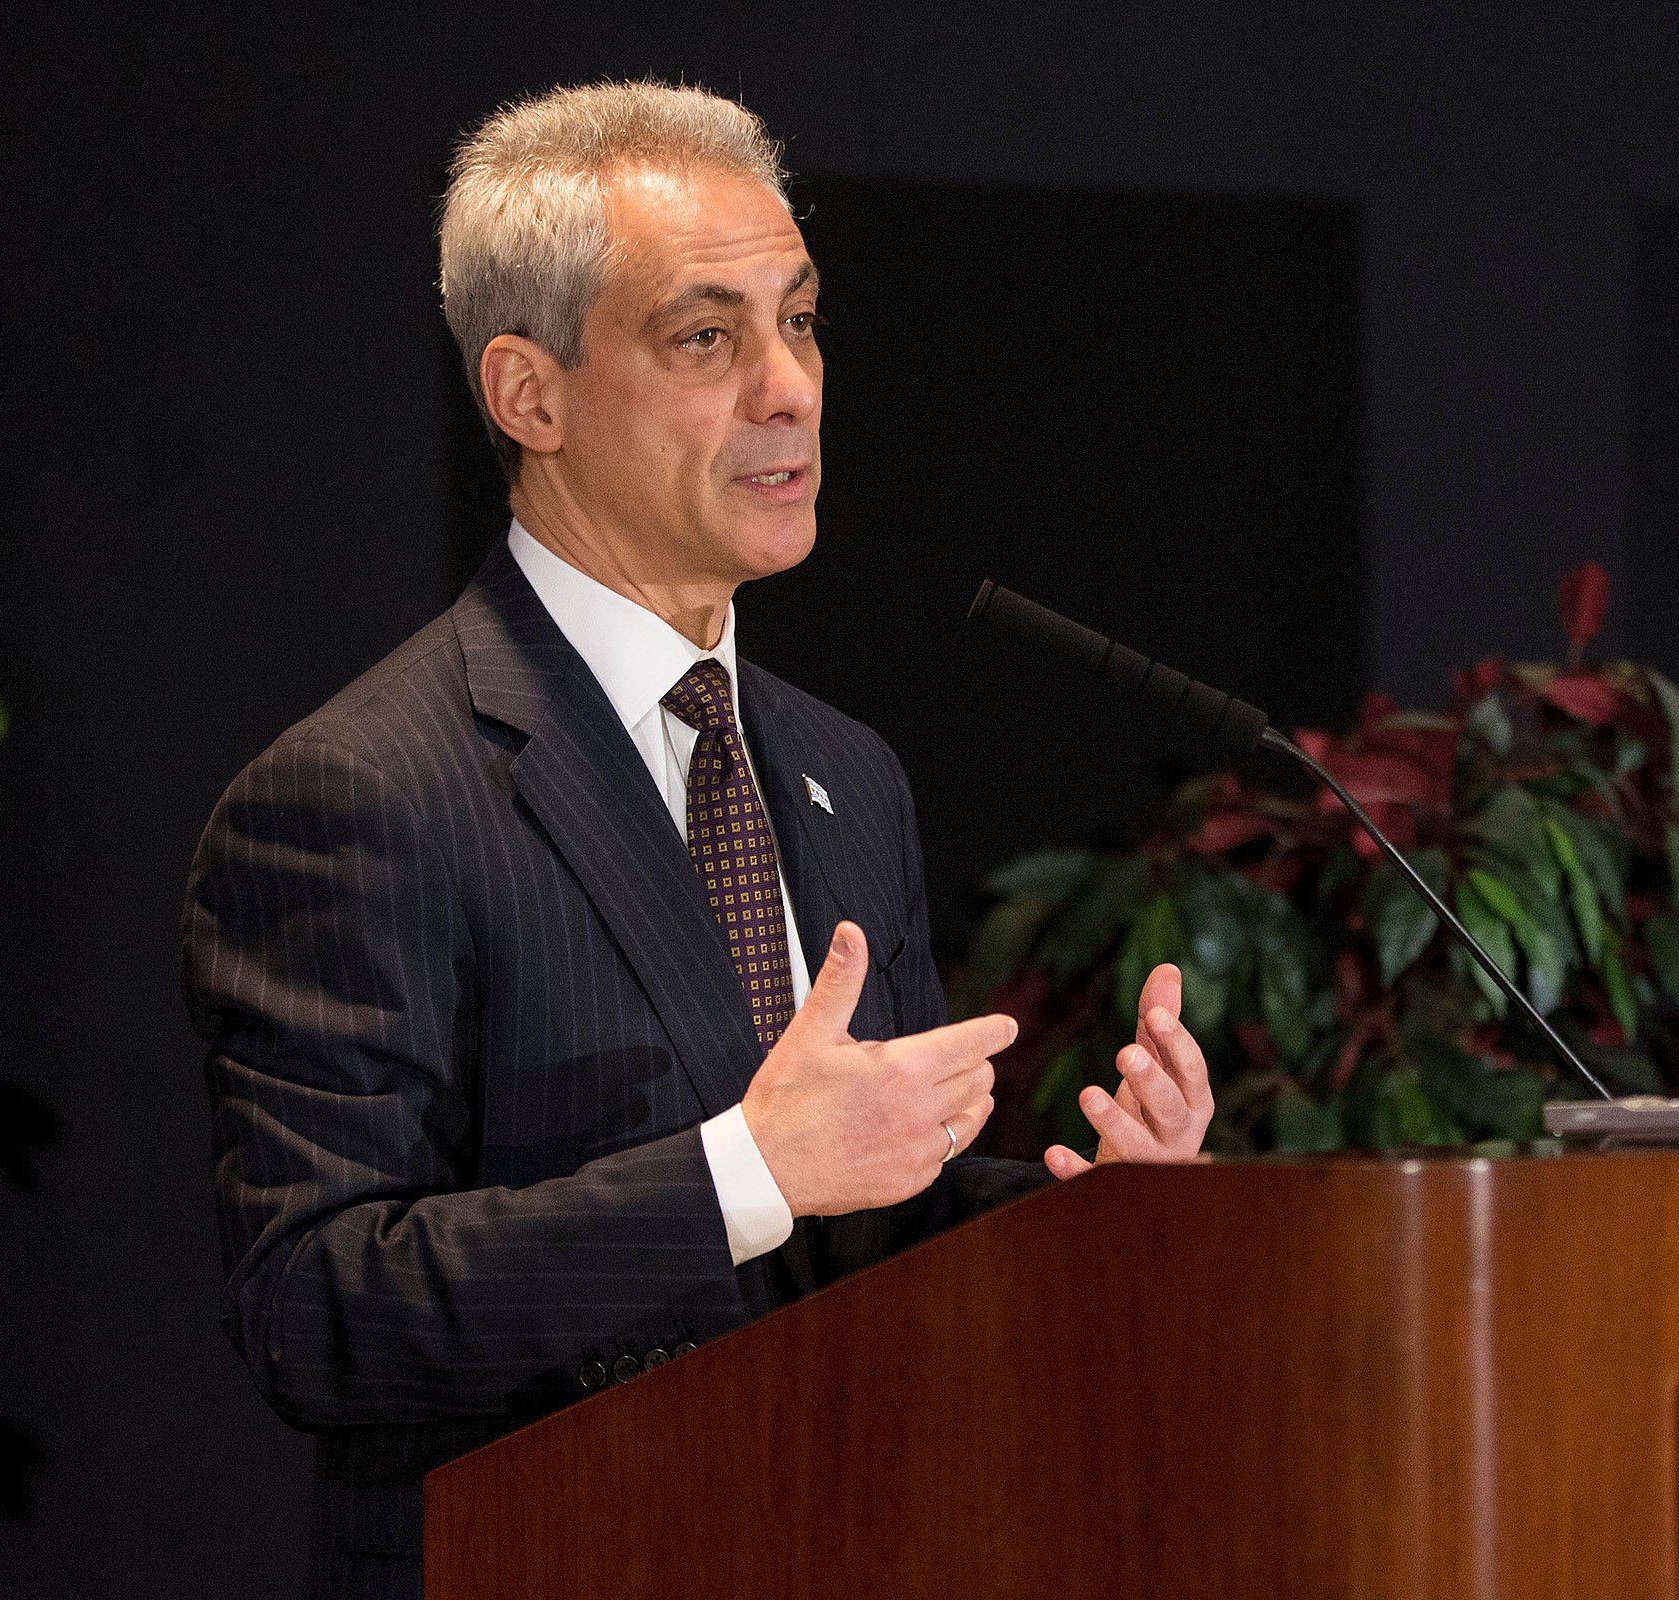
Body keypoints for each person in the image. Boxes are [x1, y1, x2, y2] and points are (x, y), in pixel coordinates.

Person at [181, 83, 1214, 1600]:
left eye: (801, 324)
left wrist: (1085, 1225)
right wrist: (742, 1168)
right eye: (706, 338)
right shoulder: (361, 793)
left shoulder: (844, 774)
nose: (789, 389)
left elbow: (864, 1228)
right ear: (528, 394)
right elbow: (318, 1308)